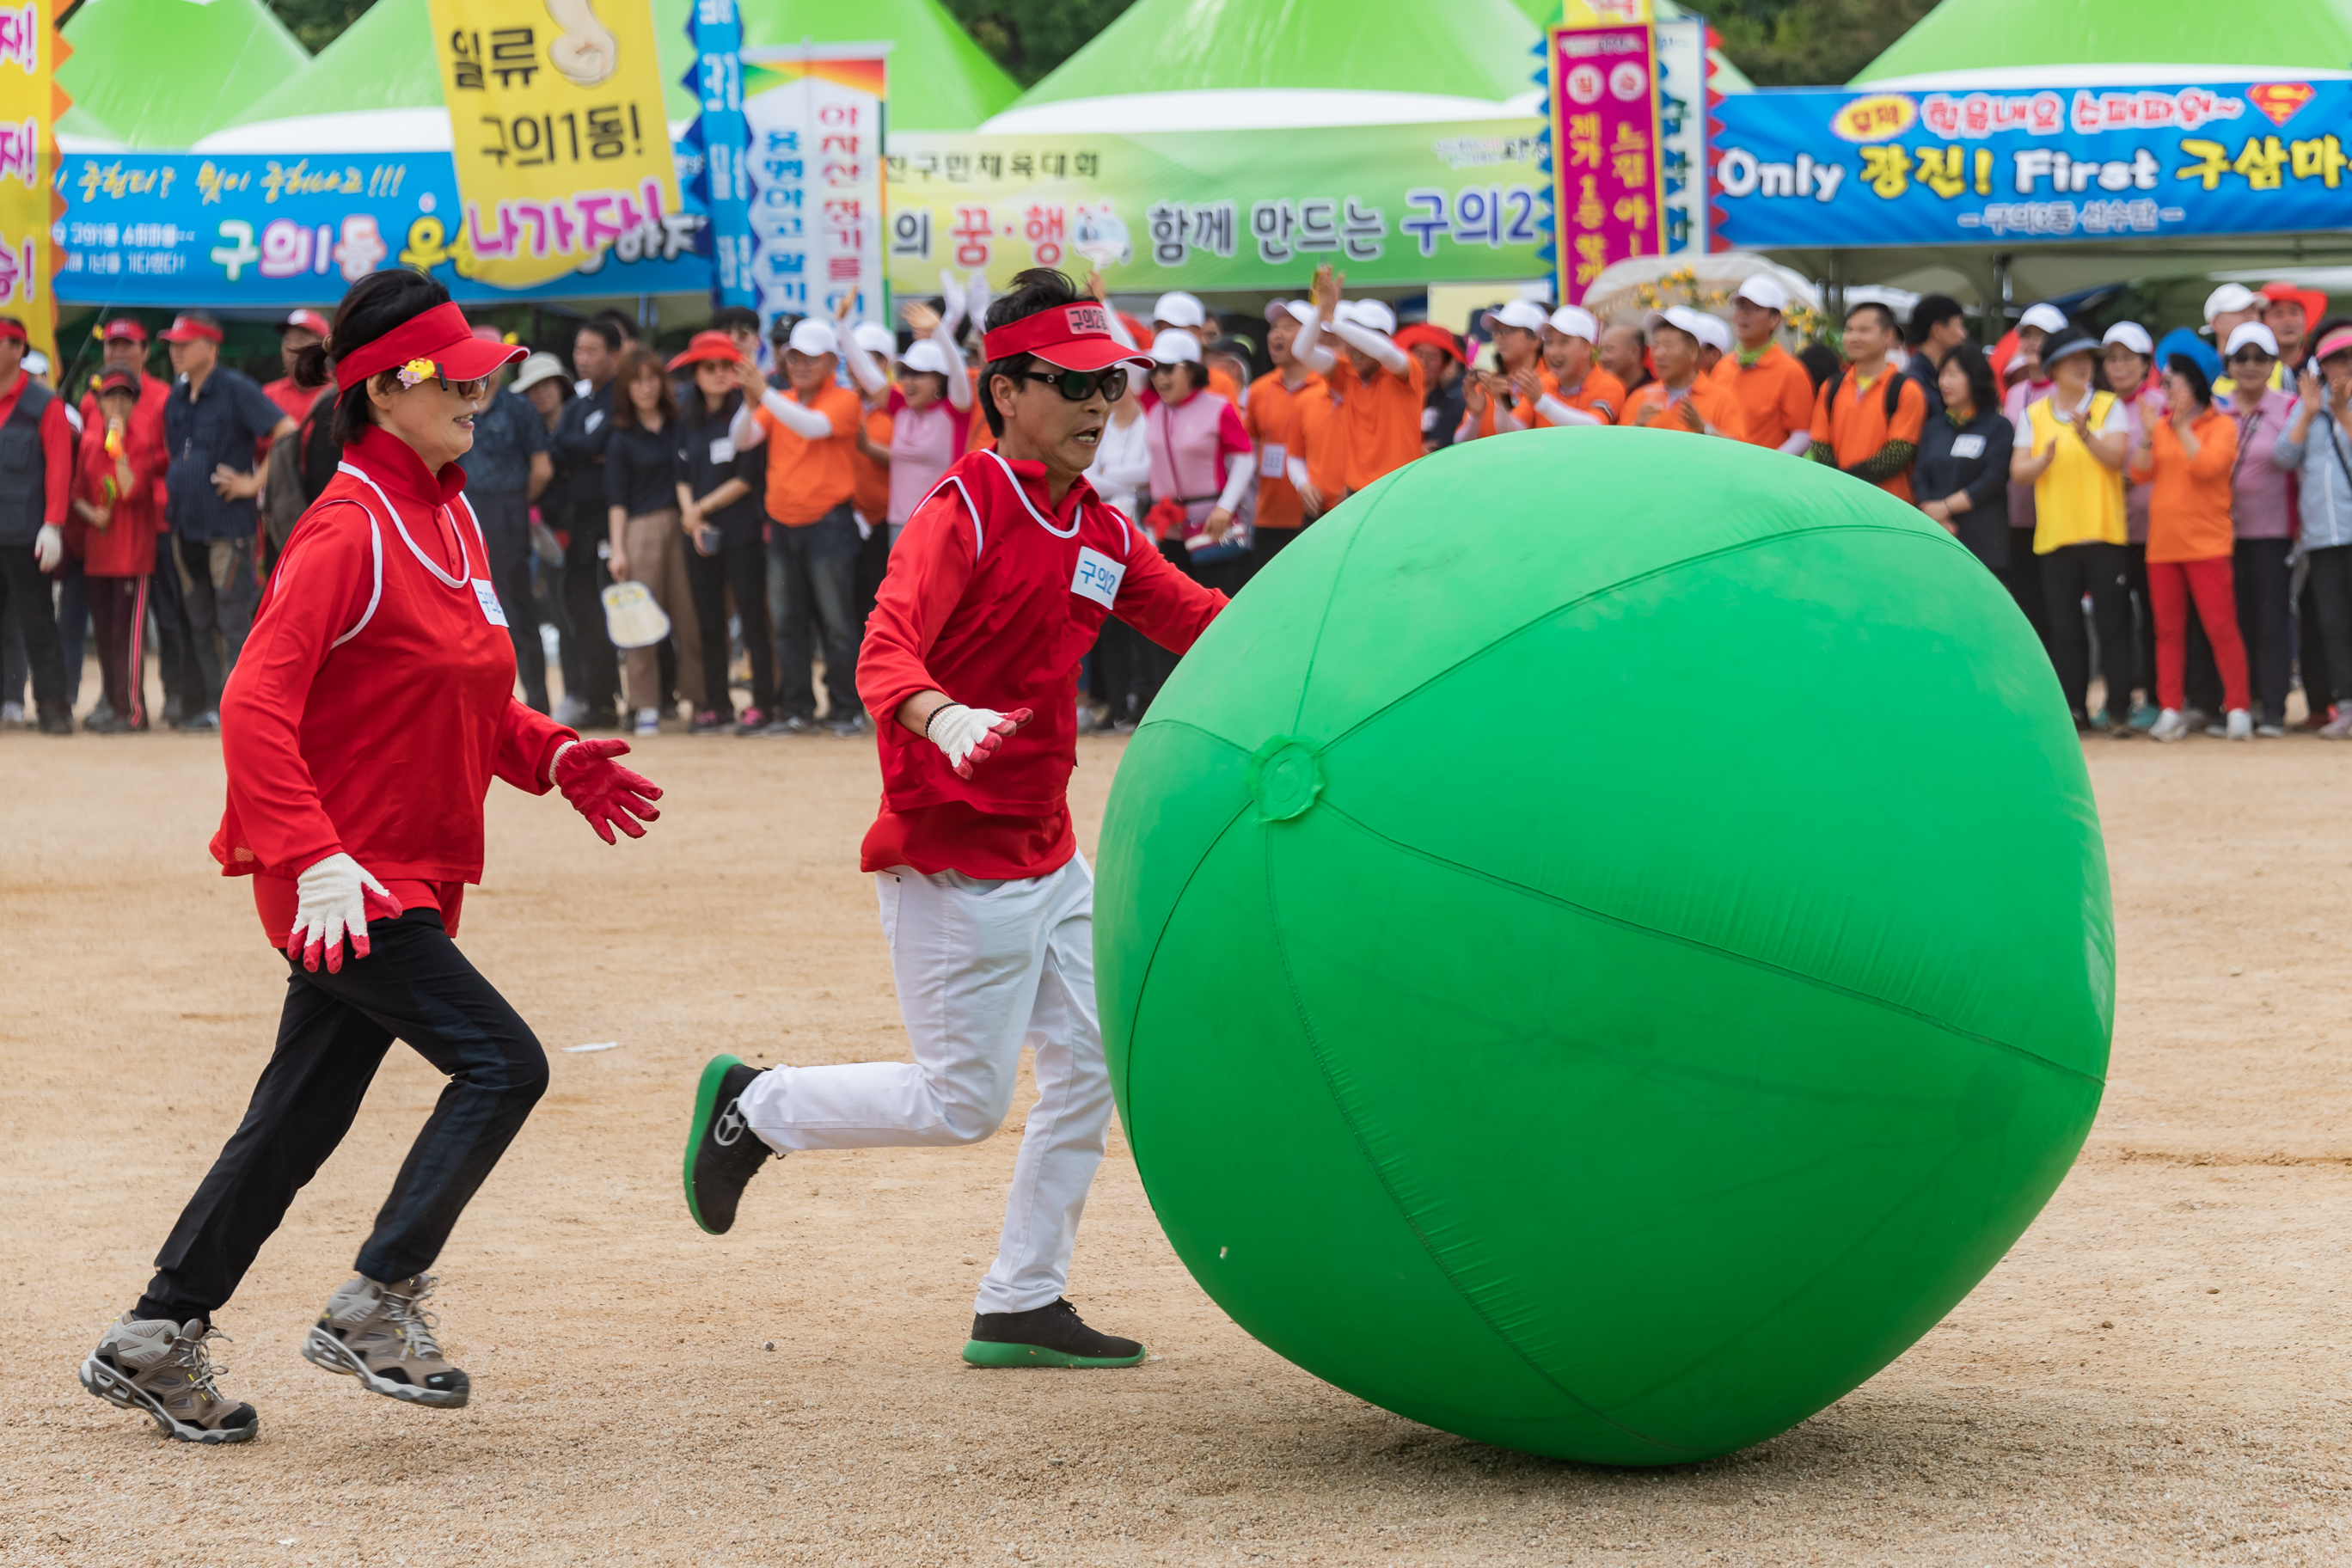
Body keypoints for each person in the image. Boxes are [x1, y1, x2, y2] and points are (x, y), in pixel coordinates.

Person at [78, 271, 663, 1446]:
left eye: (484, 371)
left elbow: (466, 696)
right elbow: (254, 707)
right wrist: (314, 856)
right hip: (344, 883)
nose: (483, 390)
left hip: (399, 874)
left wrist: (552, 758)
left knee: (298, 1118)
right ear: (389, 389)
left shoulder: (445, 514)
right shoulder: (348, 528)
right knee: (504, 1065)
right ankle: (376, 1302)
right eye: (459, 374)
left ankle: (155, 1332)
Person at [682, 268, 1227, 1369]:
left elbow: (1202, 621)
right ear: (1007, 390)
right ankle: (758, 1104)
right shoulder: (963, 510)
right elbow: (883, 650)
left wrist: (1324, 616)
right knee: (960, 1105)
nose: (1099, 403)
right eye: (1073, 384)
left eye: (1111, 382)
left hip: (1050, 856)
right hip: (953, 858)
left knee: (1092, 1069)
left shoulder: (1101, 530)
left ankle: (1023, 1298)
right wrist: (940, 717)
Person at [728, 317, 868, 736]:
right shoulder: (781, 400)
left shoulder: (844, 400)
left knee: (837, 624)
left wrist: (764, 393)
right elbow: (741, 439)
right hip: (785, 527)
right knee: (788, 624)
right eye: (794, 357)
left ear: (831, 362)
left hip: (829, 525)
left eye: (811, 358)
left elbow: (812, 426)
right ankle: (797, 709)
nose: (800, 365)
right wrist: (751, 400)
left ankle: (846, 709)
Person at [160, 311, 299, 732]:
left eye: (186, 343)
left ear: (211, 348)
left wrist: (255, 482)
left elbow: (286, 430)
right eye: (173, 343)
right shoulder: (176, 397)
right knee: (198, 617)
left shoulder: (236, 388)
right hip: (184, 524)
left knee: (232, 617)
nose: (176, 350)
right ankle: (211, 707)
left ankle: (242, 709)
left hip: (228, 527)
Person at [2010, 326, 2135, 733]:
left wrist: (2084, 434)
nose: (2084, 365)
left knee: (2112, 627)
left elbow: (2116, 459)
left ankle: (2118, 711)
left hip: (2104, 535)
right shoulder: (2035, 414)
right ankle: (2074, 711)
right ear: (2053, 367)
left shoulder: (2109, 405)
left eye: (2088, 358)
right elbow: (2018, 472)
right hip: (2056, 537)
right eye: (2073, 358)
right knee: (2065, 632)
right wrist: (2042, 462)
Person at [2130, 354, 2251, 742]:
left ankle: (2238, 708)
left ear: (2192, 385)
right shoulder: (2162, 426)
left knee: (2221, 628)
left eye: (2170, 383)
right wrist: (2151, 433)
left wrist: (2180, 427)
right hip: (2162, 545)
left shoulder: (2223, 425)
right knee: (2167, 632)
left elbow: (2207, 468)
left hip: (2207, 544)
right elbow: (2139, 472)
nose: (2163, 390)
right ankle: (2169, 709)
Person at [669, 330, 776, 734]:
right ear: (695, 373)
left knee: (752, 617)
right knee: (708, 620)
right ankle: (717, 702)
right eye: (708, 367)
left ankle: (764, 702)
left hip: (741, 529)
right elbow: (679, 472)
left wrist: (700, 509)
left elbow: (747, 478)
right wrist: (690, 517)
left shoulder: (746, 411)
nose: (717, 374)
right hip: (698, 532)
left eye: (725, 367)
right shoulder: (686, 418)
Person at [604, 345, 700, 736]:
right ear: (625, 388)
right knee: (640, 623)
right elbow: (616, 500)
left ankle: (698, 699)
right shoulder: (620, 438)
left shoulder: (681, 425)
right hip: (639, 529)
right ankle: (645, 704)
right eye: (636, 381)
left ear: (663, 382)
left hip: (683, 524)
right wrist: (618, 549)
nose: (645, 388)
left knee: (690, 616)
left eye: (651, 379)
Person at [456, 328, 553, 714]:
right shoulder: (455, 401)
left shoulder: (519, 408)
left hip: (508, 512)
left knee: (515, 610)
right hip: (464, 511)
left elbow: (542, 469)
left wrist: (515, 503)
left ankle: (538, 703)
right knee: (467, 613)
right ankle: (483, 704)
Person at [840, 295, 977, 547]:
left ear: (938, 380)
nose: (909, 381)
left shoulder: (956, 412)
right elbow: (866, 372)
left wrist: (940, 332)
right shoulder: (900, 408)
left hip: (945, 523)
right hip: (900, 525)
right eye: (906, 373)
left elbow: (958, 373)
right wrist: (842, 326)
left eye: (919, 374)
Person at [70, 368, 162, 732]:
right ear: (98, 401)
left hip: (132, 556)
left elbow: (128, 490)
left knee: (127, 636)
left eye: (125, 397)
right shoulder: (90, 443)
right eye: (111, 397)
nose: (118, 404)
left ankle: (133, 711)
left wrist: (119, 447)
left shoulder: (142, 442)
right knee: (107, 634)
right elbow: (77, 494)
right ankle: (111, 703)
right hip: (99, 555)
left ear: (134, 403)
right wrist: (92, 513)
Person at [0, 315, 78, 733]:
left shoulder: (43, 404)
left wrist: (54, 524)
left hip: (26, 532)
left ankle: (53, 705)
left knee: (37, 620)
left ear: (17, 349)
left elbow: (59, 467)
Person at [2217, 322, 2296, 737]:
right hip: (2220, 536)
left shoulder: (2290, 407)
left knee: (2271, 619)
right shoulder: (2214, 408)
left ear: (2272, 364)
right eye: (2241, 357)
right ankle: (2239, 704)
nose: (2250, 365)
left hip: (2273, 531)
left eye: (2260, 358)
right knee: (2235, 620)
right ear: (2228, 363)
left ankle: (2275, 707)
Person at [2276, 323, 2352, 737]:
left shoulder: (2341, 407)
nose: (2341, 366)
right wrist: (2307, 411)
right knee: (2333, 623)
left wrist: (2341, 412)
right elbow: (2283, 456)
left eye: (2347, 357)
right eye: (2333, 359)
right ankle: (2345, 706)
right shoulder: (2306, 404)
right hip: (2321, 538)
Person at [548, 319, 623, 729]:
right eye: (579, 350)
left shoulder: (621, 397)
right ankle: (598, 698)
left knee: (616, 609)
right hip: (579, 526)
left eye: (593, 351)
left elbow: (596, 445)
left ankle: (631, 700)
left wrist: (579, 450)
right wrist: (582, 452)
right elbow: (557, 449)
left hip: (614, 522)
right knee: (580, 609)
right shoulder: (577, 404)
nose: (583, 359)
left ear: (614, 354)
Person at [1140, 328, 1254, 597]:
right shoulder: (1152, 404)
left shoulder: (1218, 407)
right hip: (1168, 526)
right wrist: (1102, 303)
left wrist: (1226, 507)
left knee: (1217, 605)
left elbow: (1244, 458)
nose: (1159, 376)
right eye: (1155, 369)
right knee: (1175, 606)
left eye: (1168, 368)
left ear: (1191, 370)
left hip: (1212, 525)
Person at [1292, 266, 1427, 494]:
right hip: (1358, 495)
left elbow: (1384, 352)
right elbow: (1301, 351)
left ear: (1383, 336)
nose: (1351, 348)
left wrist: (1334, 323)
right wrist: (1321, 311)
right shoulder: (1347, 374)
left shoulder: (1406, 371)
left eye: (1356, 336)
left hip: (1398, 490)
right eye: (1347, 338)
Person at [2103, 322, 2164, 729]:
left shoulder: (2162, 402)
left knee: (2157, 619)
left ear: (2146, 363)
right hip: (2108, 529)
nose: (2120, 366)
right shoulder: (2097, 405)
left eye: (2129, 358)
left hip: (2156, 529)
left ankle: (2160, 699)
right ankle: (2117, 701)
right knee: (2114, 620)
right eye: (2112, 358)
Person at [2000, 301, 2069, 652]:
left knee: (2060, 609)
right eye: (2027, 334)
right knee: (2027, 604)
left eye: (2042, 335)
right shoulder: (2013, 393)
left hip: (2058, 516)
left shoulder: (2068, 394)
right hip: (2018, 515)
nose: (2033, 343)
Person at [1809, 301, 1928, 499]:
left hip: (1888, 504)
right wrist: (1840, 484)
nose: (1854, 337)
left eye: (1864, 330)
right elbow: (1820, 443)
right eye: (1849, 330)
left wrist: (1846, 480)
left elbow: (1898, 453)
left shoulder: (1906, 390)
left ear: (1888, 336)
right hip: (1839, 499)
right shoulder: (1831, 386)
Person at [1911, 343, 2012, 576]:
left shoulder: (1997, 426)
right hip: (1937, 534)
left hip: (1982, 542)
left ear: (1975, 378)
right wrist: (1931, 512)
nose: (1945, 382)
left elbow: (1993, 479)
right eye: (1943, 374)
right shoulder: (1934, 426)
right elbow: (1920, 475)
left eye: (1954, 374)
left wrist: (1945, 507)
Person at [1248, 301, 1336, 568]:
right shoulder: (1259, 389)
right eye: (1275, 327)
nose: (1277, 334)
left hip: (1319, 514)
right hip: (1268, 518)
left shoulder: (1330, 388)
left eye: (1289, 327)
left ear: (1314, 336)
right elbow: (1249, 450)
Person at [1718, 274, 1815, 452]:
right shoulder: (1723, 366)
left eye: (1755, 308)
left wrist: (1768, 468)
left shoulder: (1791, 371)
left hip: (1762, 476)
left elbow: (1802, 434)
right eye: (1740, 306)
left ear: (1775, 319)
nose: (1743, 314)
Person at [1615, 307, 1746, 438]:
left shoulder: (1721, 400)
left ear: (1693, 352)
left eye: (1669, 345)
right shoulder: (1640, 398)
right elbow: (1618, 448)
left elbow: (1737, 452)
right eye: (1655, 345)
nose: (1659, 354)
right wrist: (1637, 425)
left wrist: (1703, 428)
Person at [1462, 298, 1548, 443]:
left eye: (1509, 331)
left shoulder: (1550, 382)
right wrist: (1475, 417)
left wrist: (1500, 403)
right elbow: (1460, 441)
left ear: (1536, 340)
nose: (1499, 339)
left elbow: (1514, 438)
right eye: (1496, 332)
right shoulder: (1487, 383)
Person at [1149, 291, 1241, 404]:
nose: (1164, 335)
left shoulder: (1220, 383)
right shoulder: (1142, 376)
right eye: (1158, 328)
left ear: (1198, 333)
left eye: (1174, 327)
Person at [1393, 322, 1465, 452]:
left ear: (1444, 365)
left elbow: (1438, 447)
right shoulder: (1392, 399)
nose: (1423, 362)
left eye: (1432, 357)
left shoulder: (1451, 405)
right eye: (1419, 354)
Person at [260, 309, 333, 430]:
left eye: (301, 339)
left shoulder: (341, 395)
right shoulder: (267, 396)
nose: (292, 347)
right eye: (287, 340)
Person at [1903, 293, 1970, 418]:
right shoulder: (1914, 381)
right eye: (1960, 325)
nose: (1964, 334)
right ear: (1938, 330)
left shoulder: (1930, 374)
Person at [2205, 284, 2267, 399]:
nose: (2250, 316)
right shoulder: (2201, 373)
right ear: (2214, 323)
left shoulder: (2280, 371)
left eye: (2253, 309)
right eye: (2238, 311)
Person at [1598, 321, 1650, 395]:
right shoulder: (1598, 388)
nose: (1602, 358)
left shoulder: (1652, 393)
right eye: (1601, 351)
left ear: (1634, 353)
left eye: (1609, 350)